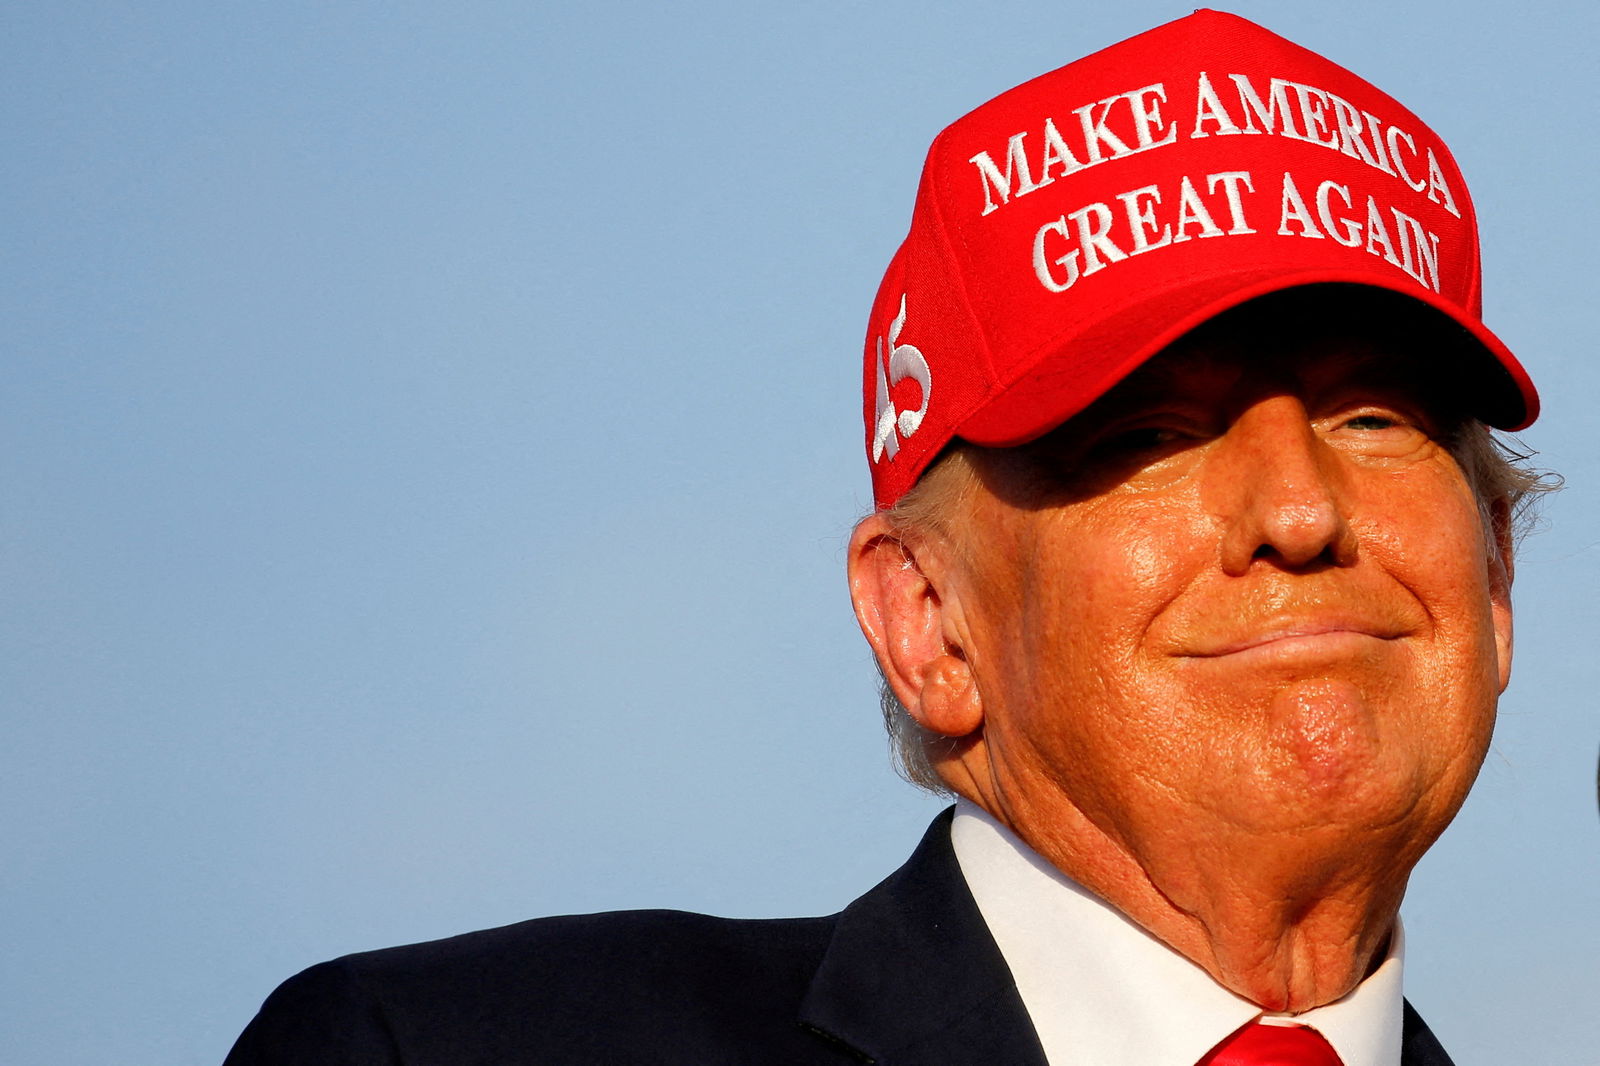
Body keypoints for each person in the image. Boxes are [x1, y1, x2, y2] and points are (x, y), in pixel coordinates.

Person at [224, 11, 1550, 1065]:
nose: (1302, 511)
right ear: (928, 618)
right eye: (1149, 436)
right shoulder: (450, 1051)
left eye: (1375, 417)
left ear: (1493, 571)